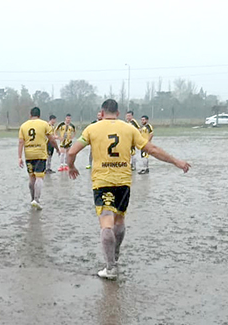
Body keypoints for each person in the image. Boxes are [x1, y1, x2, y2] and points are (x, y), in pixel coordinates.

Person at [66, 99, 190, 279]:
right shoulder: (129, 128)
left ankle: (110, 268)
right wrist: (176, 161)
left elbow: (71, 152)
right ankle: (115, 255)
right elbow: (152, 149)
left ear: (102, 112)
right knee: (119, 220)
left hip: (103, 182)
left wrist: (71, 166)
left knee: (106, 222)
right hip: (123, 182)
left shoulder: (92, 129)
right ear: (118, 113)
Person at [18, 106, 60, 209]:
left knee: (31, 177)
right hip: (40, 154)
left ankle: (32, 199)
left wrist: (19, 157)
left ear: (30, 115)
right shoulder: (44, 124)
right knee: (39, 177)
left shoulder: (23, 126)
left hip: (29, 154)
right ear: (39, 115)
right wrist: (57, 149)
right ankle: (37, 199)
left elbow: (20, 142)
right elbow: (52, 139)